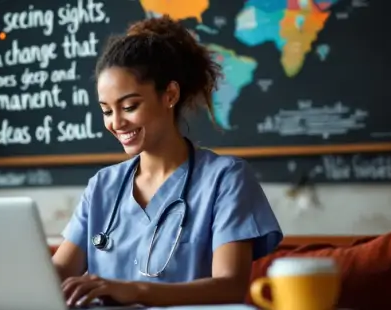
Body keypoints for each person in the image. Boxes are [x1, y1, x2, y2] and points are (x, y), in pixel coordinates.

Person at [52, 15, 283, 308]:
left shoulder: (225, 178)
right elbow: (58, 272)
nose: (116, 122)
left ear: (170, 94)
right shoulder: (103, 186)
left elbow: (230, 286)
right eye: (107, 111)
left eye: (129, 106)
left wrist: (135, 291)